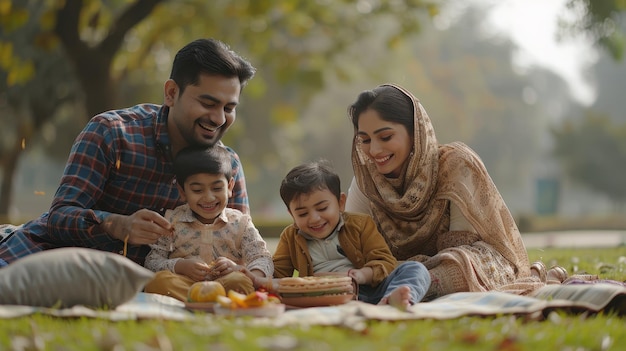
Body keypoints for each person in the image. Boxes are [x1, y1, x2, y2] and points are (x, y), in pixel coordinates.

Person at [0, 38, 256, 267]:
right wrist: (117, 225)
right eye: (208, 103)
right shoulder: (112, 133)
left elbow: (243, 242)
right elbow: (59, 217)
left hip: (132, 284)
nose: (218, 118)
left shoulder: (227, 165)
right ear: (171, 93)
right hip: (47, 257)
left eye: (229, 108)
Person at [345, 83, 559, 300]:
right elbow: (353, 248)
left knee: (460, 265)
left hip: (456, 262)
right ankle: (401, 289)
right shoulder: (367, 181)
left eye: (385, 137)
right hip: (395, 269)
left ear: (415, 132)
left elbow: (460, 249)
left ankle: (400, 291)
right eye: (365, 140)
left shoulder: (455, 165)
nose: (374, 150)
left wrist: (403, 270)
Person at [272, 161, 431, 310]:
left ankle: (391, 299)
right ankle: (376, 305)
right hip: (323, 296)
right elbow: (278, 273)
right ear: (291, 214)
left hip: (369, 289)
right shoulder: (290, 237)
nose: (314, 218)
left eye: (322, 208)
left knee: (416, 268)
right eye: (302, 213)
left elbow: (385, 261)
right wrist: (258, 278)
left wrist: (361, 275)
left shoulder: (360, 224)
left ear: (341, 202)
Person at [143, 147, 273, 302]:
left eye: (217, 188)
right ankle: (215, 303)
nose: (209, 197)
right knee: (157, 281)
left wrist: (240, 270)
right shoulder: (172, 221)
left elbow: (263, 258)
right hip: (187, 285)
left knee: (239, 281)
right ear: (183, 192)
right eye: (197, 190)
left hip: (227, 284)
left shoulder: (241, 223)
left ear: (230, 187)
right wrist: (181, 265)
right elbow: (152, 262)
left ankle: (205, 303)